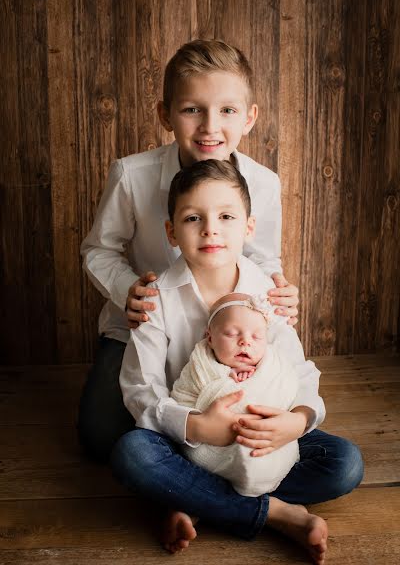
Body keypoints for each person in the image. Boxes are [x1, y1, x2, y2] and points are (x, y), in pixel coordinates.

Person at [113, 159, 364, 565]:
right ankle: (279, 514)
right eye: (194, 218)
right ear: (172, 232)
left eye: (227, 216)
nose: (211, 229)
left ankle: (197, 500)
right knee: (133, 454)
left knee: (345, 463)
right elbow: (141, 390)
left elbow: (300, 374)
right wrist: (198, 426)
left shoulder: (267, 295)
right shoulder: (155, 298)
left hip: (262, 437)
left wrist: (295, 422)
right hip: (189, 439)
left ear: (248, 228)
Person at [78, 39, 300, 463]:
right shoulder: (131, 175)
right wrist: (129, 290)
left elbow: (263, 258)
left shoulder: (264, 183)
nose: (210, 127)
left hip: (229, 327)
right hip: (141, 325)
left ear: (249, 118)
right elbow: (99, 250)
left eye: (228, 110)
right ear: (166, 115)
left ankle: (193, 474)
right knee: (100, 435)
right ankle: (189, 457)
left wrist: (277, 287)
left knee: (262, 420)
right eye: (192, 109)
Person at [171, 291, 301, 497]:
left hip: (265, 441)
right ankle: (264, 506)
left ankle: (201, 500)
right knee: (137, 451)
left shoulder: (274, 365)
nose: (245, 342)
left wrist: (256, 380)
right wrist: (225, 379)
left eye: (257, 336)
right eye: (232, 334)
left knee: (344, 464)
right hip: (211, 442)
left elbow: (289, 390)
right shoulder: (199, 366)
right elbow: (181, 398)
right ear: (210, 338)